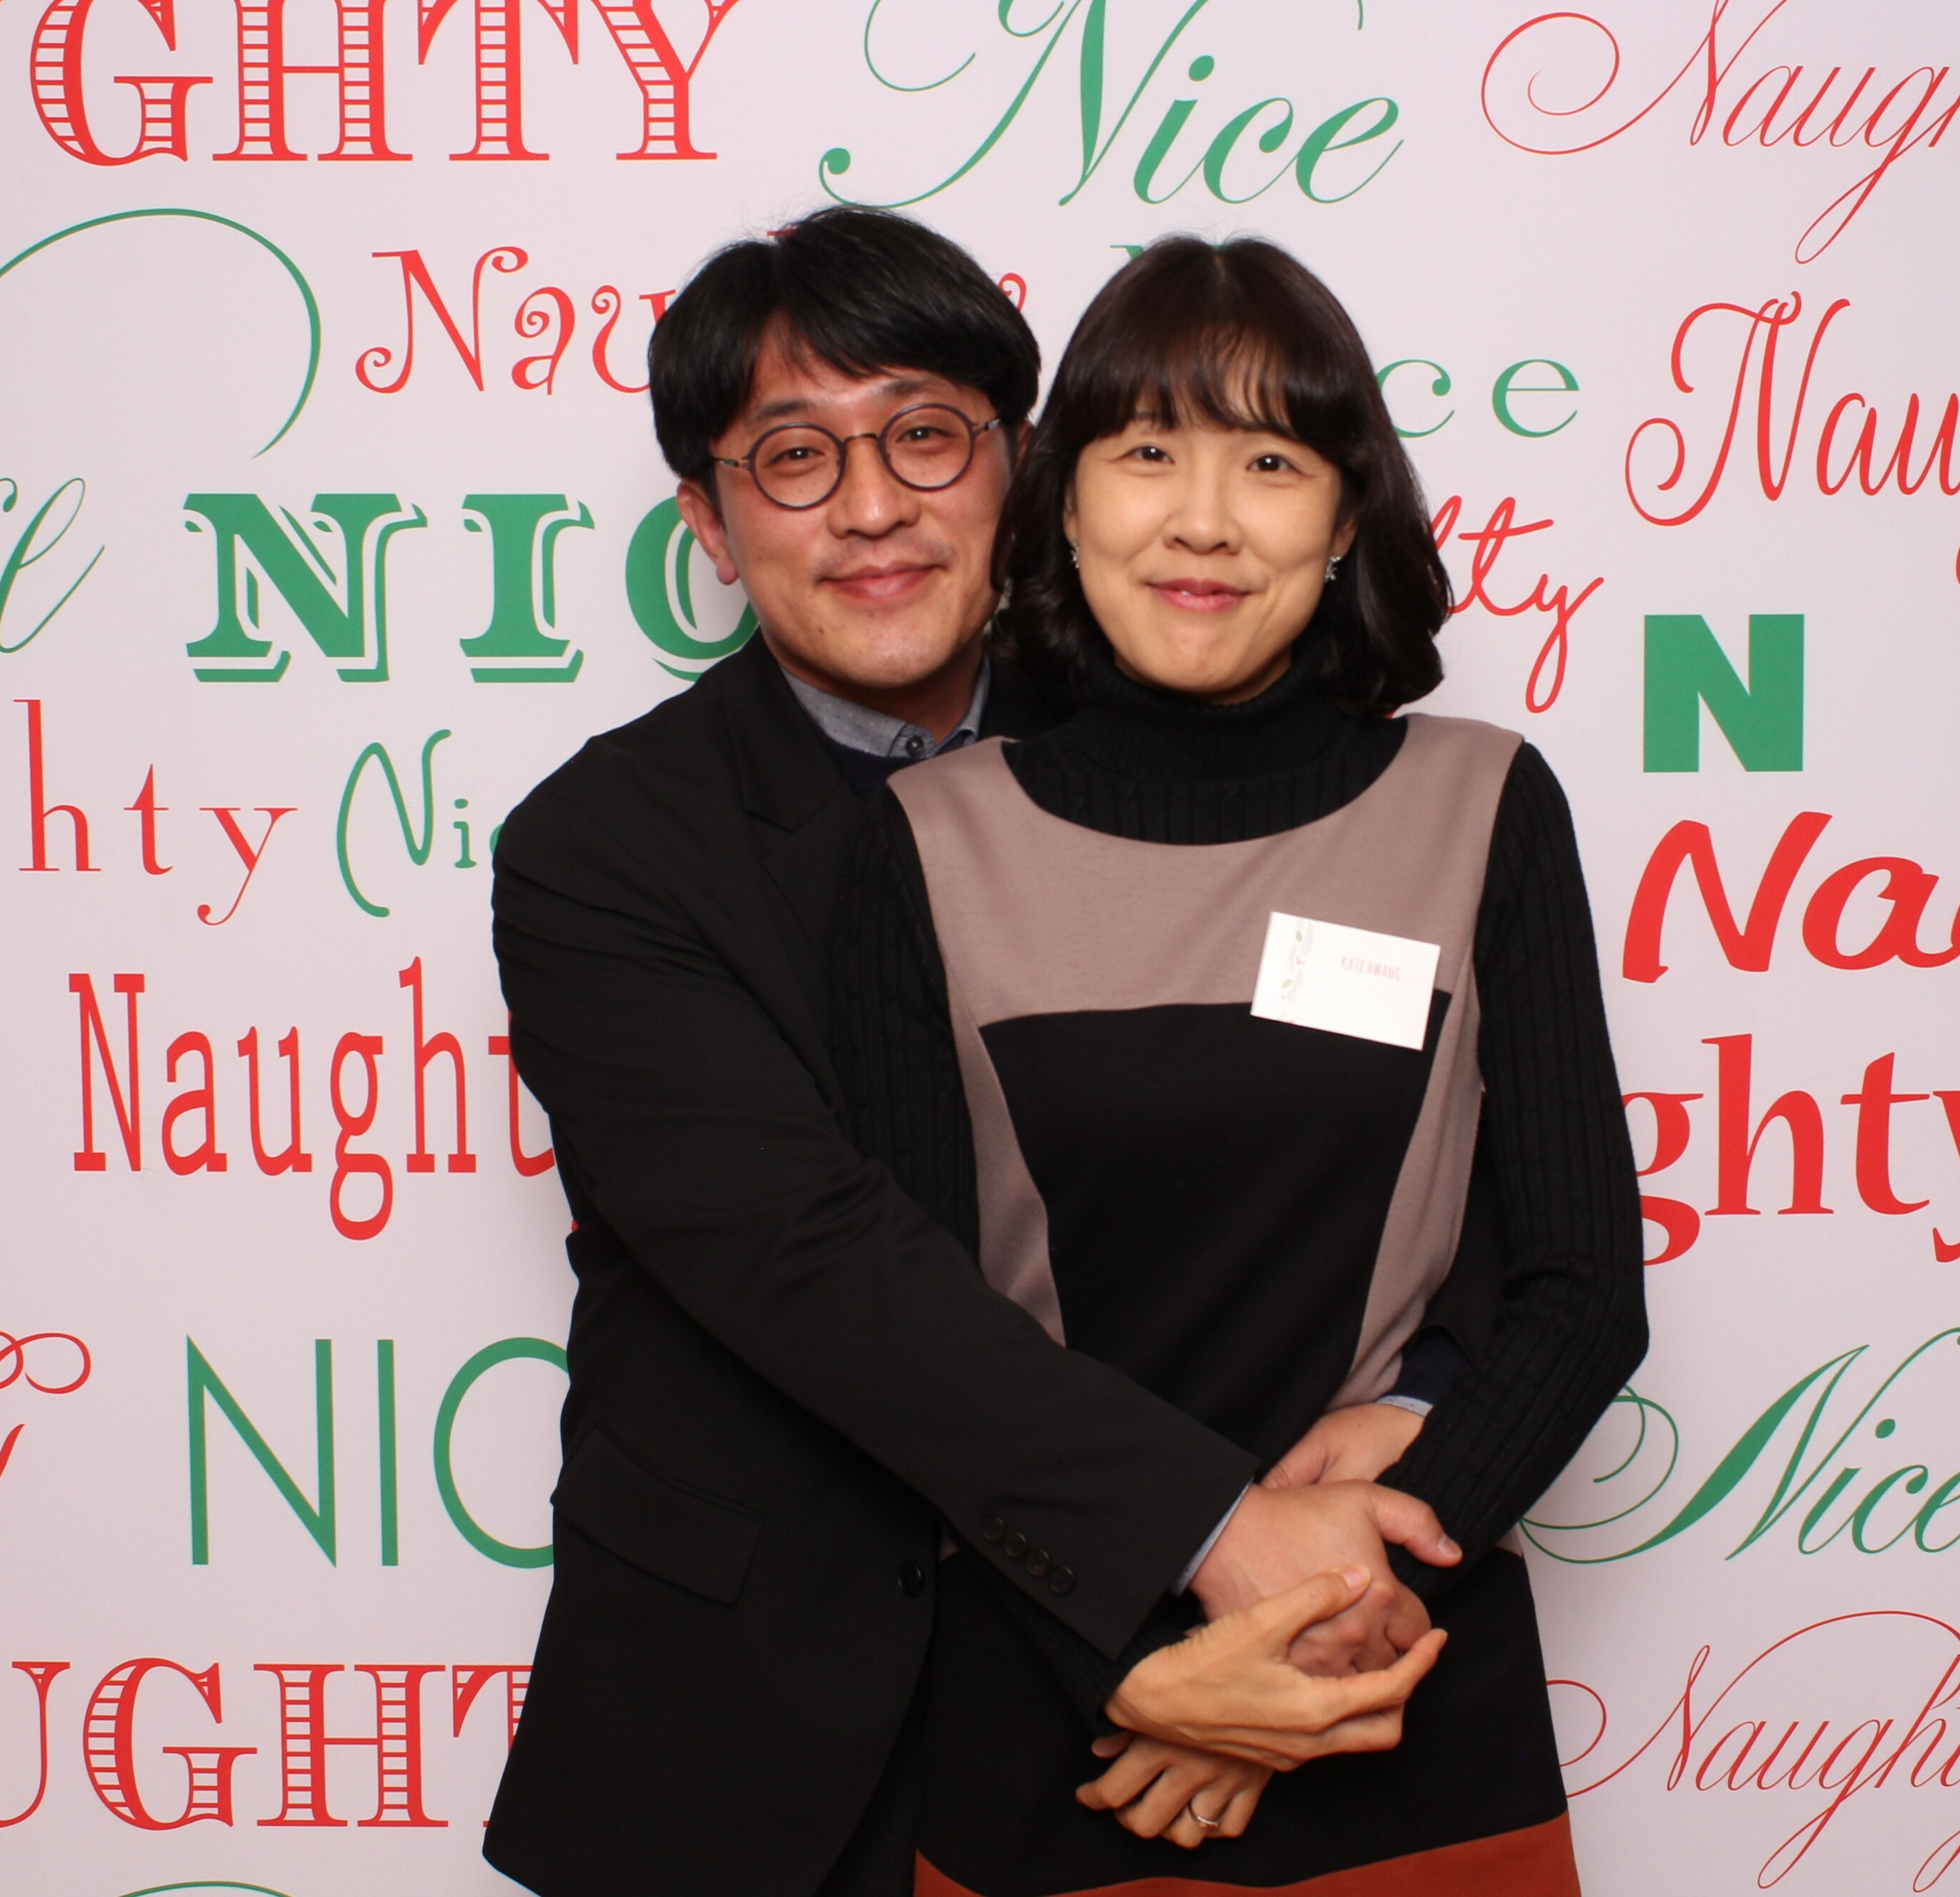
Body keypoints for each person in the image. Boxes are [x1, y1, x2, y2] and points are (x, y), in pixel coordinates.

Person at [483, 208, 1475, 1897]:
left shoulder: (1219, 760)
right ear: (706, 521)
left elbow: (1430, 1131)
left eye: (924, 435)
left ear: (1023, 463)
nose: (870, 506)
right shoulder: (604, 851)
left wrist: (1414, 1417)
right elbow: (815, 1260)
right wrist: (1209, 1542)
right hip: (759, 1724)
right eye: (793, 456)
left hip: (1220, 1705)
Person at [828, 235, 1649, 1892]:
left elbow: (1581, 1288)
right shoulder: (919, 846)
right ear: (1063, 503)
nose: (1202, 520)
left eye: (1269, 462)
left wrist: (1344, 1612)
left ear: (1343, 518)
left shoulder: (1480, 805)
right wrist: (1157, 1668)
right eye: (1146, 453)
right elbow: (918, 1351)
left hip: (1407, 1697)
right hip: (1069, 1724)